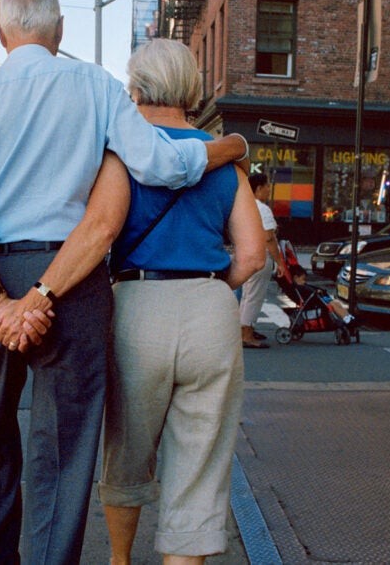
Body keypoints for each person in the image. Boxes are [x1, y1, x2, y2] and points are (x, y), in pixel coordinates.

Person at [0, 0, 250, 565]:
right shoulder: (96, 87)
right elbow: (159, 164)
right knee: (65, 444)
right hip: (71, 279)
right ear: (60, 31)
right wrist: (225, 147)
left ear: (2, 34)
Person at [98, 38, 267, 564]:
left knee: (126, 449)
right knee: (199, 465)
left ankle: (120, 561)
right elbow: (254, 254)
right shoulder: (226, 165)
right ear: (191, 90)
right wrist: (213, 288)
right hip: (209, 310)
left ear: (138, 88)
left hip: (135, 304)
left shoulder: (121, 154)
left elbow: (96, 231)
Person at [239, 173, 286, 349]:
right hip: (259, 256)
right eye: (267, 187)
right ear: (258, 188)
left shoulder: (242, 205)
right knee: (255, 297)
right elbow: (268, 237)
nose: (269, 190)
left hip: (245, 254)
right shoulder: (262, 209)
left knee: (247, 295)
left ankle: (242, 330)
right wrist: (280, 262)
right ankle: (247, 335)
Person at [288, 264, 357, 328]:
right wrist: (316, 291)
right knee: (333, 304)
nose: (304, 281)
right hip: (314, 303)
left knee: (336, 303)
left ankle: (348, 316)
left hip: (319, 299)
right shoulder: (299, 288)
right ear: (296, 278)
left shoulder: (301, 286)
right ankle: (347, 318)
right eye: (303, 279)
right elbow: (309, 293)